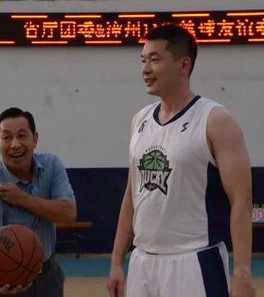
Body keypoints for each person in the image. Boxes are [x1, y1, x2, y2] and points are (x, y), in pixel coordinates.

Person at [107, 24, 256, 297]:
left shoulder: (215, 120)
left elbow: (242, 201)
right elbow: (131, 194)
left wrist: (242, 272)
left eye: (155, 59)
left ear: (183, 65)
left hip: (195, 261)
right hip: (142, 261)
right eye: (143, 60)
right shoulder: (139, 120)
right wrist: (117, 261)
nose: (145, 69)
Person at [0, 107, 76, 297]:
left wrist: (23, 199)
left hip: (47, 274)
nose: (15, 144)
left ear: (34, 139)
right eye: (6, 137)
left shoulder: (52, 166)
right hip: (8, 276)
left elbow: (68, 213)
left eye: (22, 136)